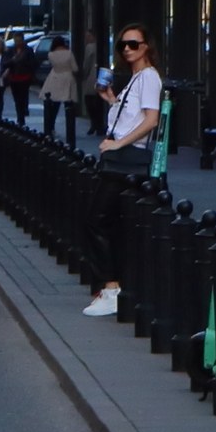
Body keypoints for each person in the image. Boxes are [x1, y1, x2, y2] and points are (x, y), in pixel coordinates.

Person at [82, 24, 163, 319]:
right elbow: (133, 117)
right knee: (109, 221)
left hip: (126, 160)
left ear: (146, 46)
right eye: (122, 45)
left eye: (133, 44)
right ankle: (114, 285)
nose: (127, 49)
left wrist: (118, 144)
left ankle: (111, 287)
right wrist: (112, 101)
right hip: (121, 159)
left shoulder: (149, 77)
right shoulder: (136, 78)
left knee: (96, 219)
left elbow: (151, 120)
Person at [42, 34, 82, 146]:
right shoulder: (69, 53)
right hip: (68, 78)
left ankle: (50, 128)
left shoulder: (51, 54)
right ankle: (70, 134)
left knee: (53, 105)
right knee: (69, 105)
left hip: (54, 78)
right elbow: (75, 68)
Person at [6, 35, 38, 128]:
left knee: (23, 97)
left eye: (19, 40)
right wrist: (13, 60)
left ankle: (22, 115)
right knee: (17, 98)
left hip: (25, 77)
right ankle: (20, 116)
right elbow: (6, 63)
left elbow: (33, 63)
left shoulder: (28, 50)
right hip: (14, 77)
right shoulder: (11, 50)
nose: (17, 42)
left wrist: (26, 66)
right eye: (16, 40)